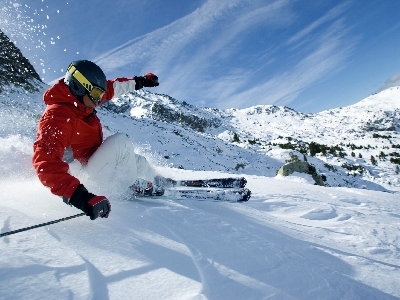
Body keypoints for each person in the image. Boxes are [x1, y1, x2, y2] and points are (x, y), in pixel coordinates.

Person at [32, 60, 159, 220]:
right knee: (121, 143)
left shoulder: (83, 100)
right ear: (78, 87)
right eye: (97, 95)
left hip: (93, 162)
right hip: (84, 178)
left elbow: (113, 88)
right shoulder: (58, 116)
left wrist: (141, 81)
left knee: (137, 160)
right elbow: (46, 163)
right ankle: (128, 187)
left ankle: (157, 180)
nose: (99, 100)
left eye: (100, 94)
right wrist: (81, 198)